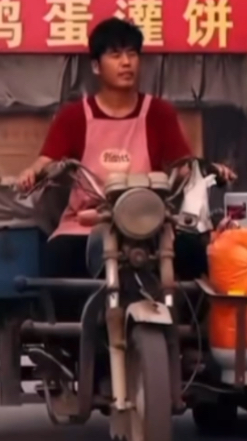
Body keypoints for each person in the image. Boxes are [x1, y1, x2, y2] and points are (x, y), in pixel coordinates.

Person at [16, 17, 235, 278]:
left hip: (149, 221)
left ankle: (187, 319)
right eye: (115, 54)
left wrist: (207, 169)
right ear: (96, 66)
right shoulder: (73, 117)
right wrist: (32, 172)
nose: (126, 62)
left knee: (193, 255)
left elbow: (184, 165)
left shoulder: (158, 113)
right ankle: (71, 320)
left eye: (132, 54)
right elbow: (47, 160)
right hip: (88, 222)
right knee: (58, 257)